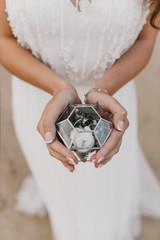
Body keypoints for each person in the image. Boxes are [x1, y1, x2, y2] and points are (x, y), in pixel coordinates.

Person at [0, 0, 160, 239]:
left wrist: (103, 90)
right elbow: (4, 39)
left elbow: (145, 39)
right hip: (40, 94)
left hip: (110, 98)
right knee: (57, 182)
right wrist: (58, 87)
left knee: (105, 188)